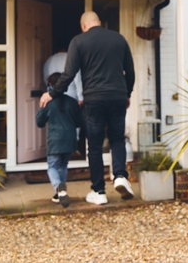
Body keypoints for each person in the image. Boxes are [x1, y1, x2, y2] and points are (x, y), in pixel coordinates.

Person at [39, 11, 136, 205]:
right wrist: (127, 94)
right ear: (98, 22)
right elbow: (130, 71)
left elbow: (68, 74)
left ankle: (99, 191)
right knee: (117, 138)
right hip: (117, 97)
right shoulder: (119, 39)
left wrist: (52, 93)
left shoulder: (79, 41)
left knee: (95, 145)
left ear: (84, 25)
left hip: (94, 99)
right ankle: (119, 176)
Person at [36, 72, 82, 208]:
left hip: (55, 140)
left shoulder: (48, 103)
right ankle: (59, 194)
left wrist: (41, 108)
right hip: (70, 139)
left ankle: (58, 186)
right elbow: (79, 122)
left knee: (52, 166)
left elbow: (39, 122)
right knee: (63, 165)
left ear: (50, 85)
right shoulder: (72, 102)